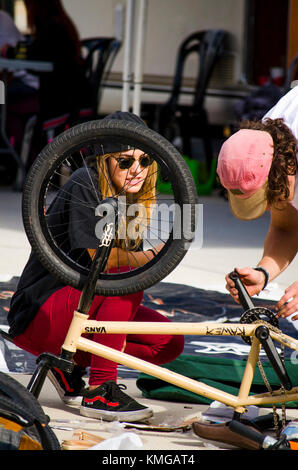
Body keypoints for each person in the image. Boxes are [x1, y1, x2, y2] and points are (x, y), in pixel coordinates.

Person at [7, 111, 184, 423]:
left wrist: (154, 256)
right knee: (120, 279)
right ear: (104, 159)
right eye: (126, 162)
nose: (137, 170)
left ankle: (69, 365)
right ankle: (101, 389)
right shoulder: (85, 182)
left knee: (168, 342)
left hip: (77, 312)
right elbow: (111, 262)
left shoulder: (132, 200)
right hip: (40, 312)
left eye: (144, 161)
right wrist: (160, 253)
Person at [217, 86, 298, 321]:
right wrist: (263, 273)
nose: (273, 205)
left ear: (282, 171)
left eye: (269, 196)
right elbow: (287, 228)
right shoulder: (265, 140)